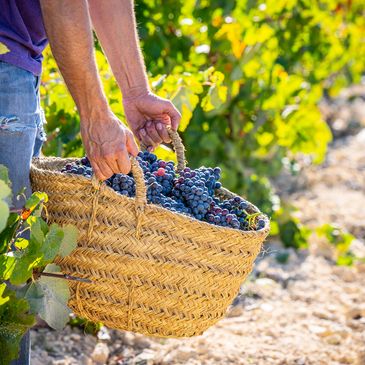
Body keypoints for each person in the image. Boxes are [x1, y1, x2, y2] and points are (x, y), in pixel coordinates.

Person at [0, 0, 181, 364]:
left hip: (17, 60)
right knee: (8, 260)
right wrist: (95, 115)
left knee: (13, 256)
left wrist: (135, 91)